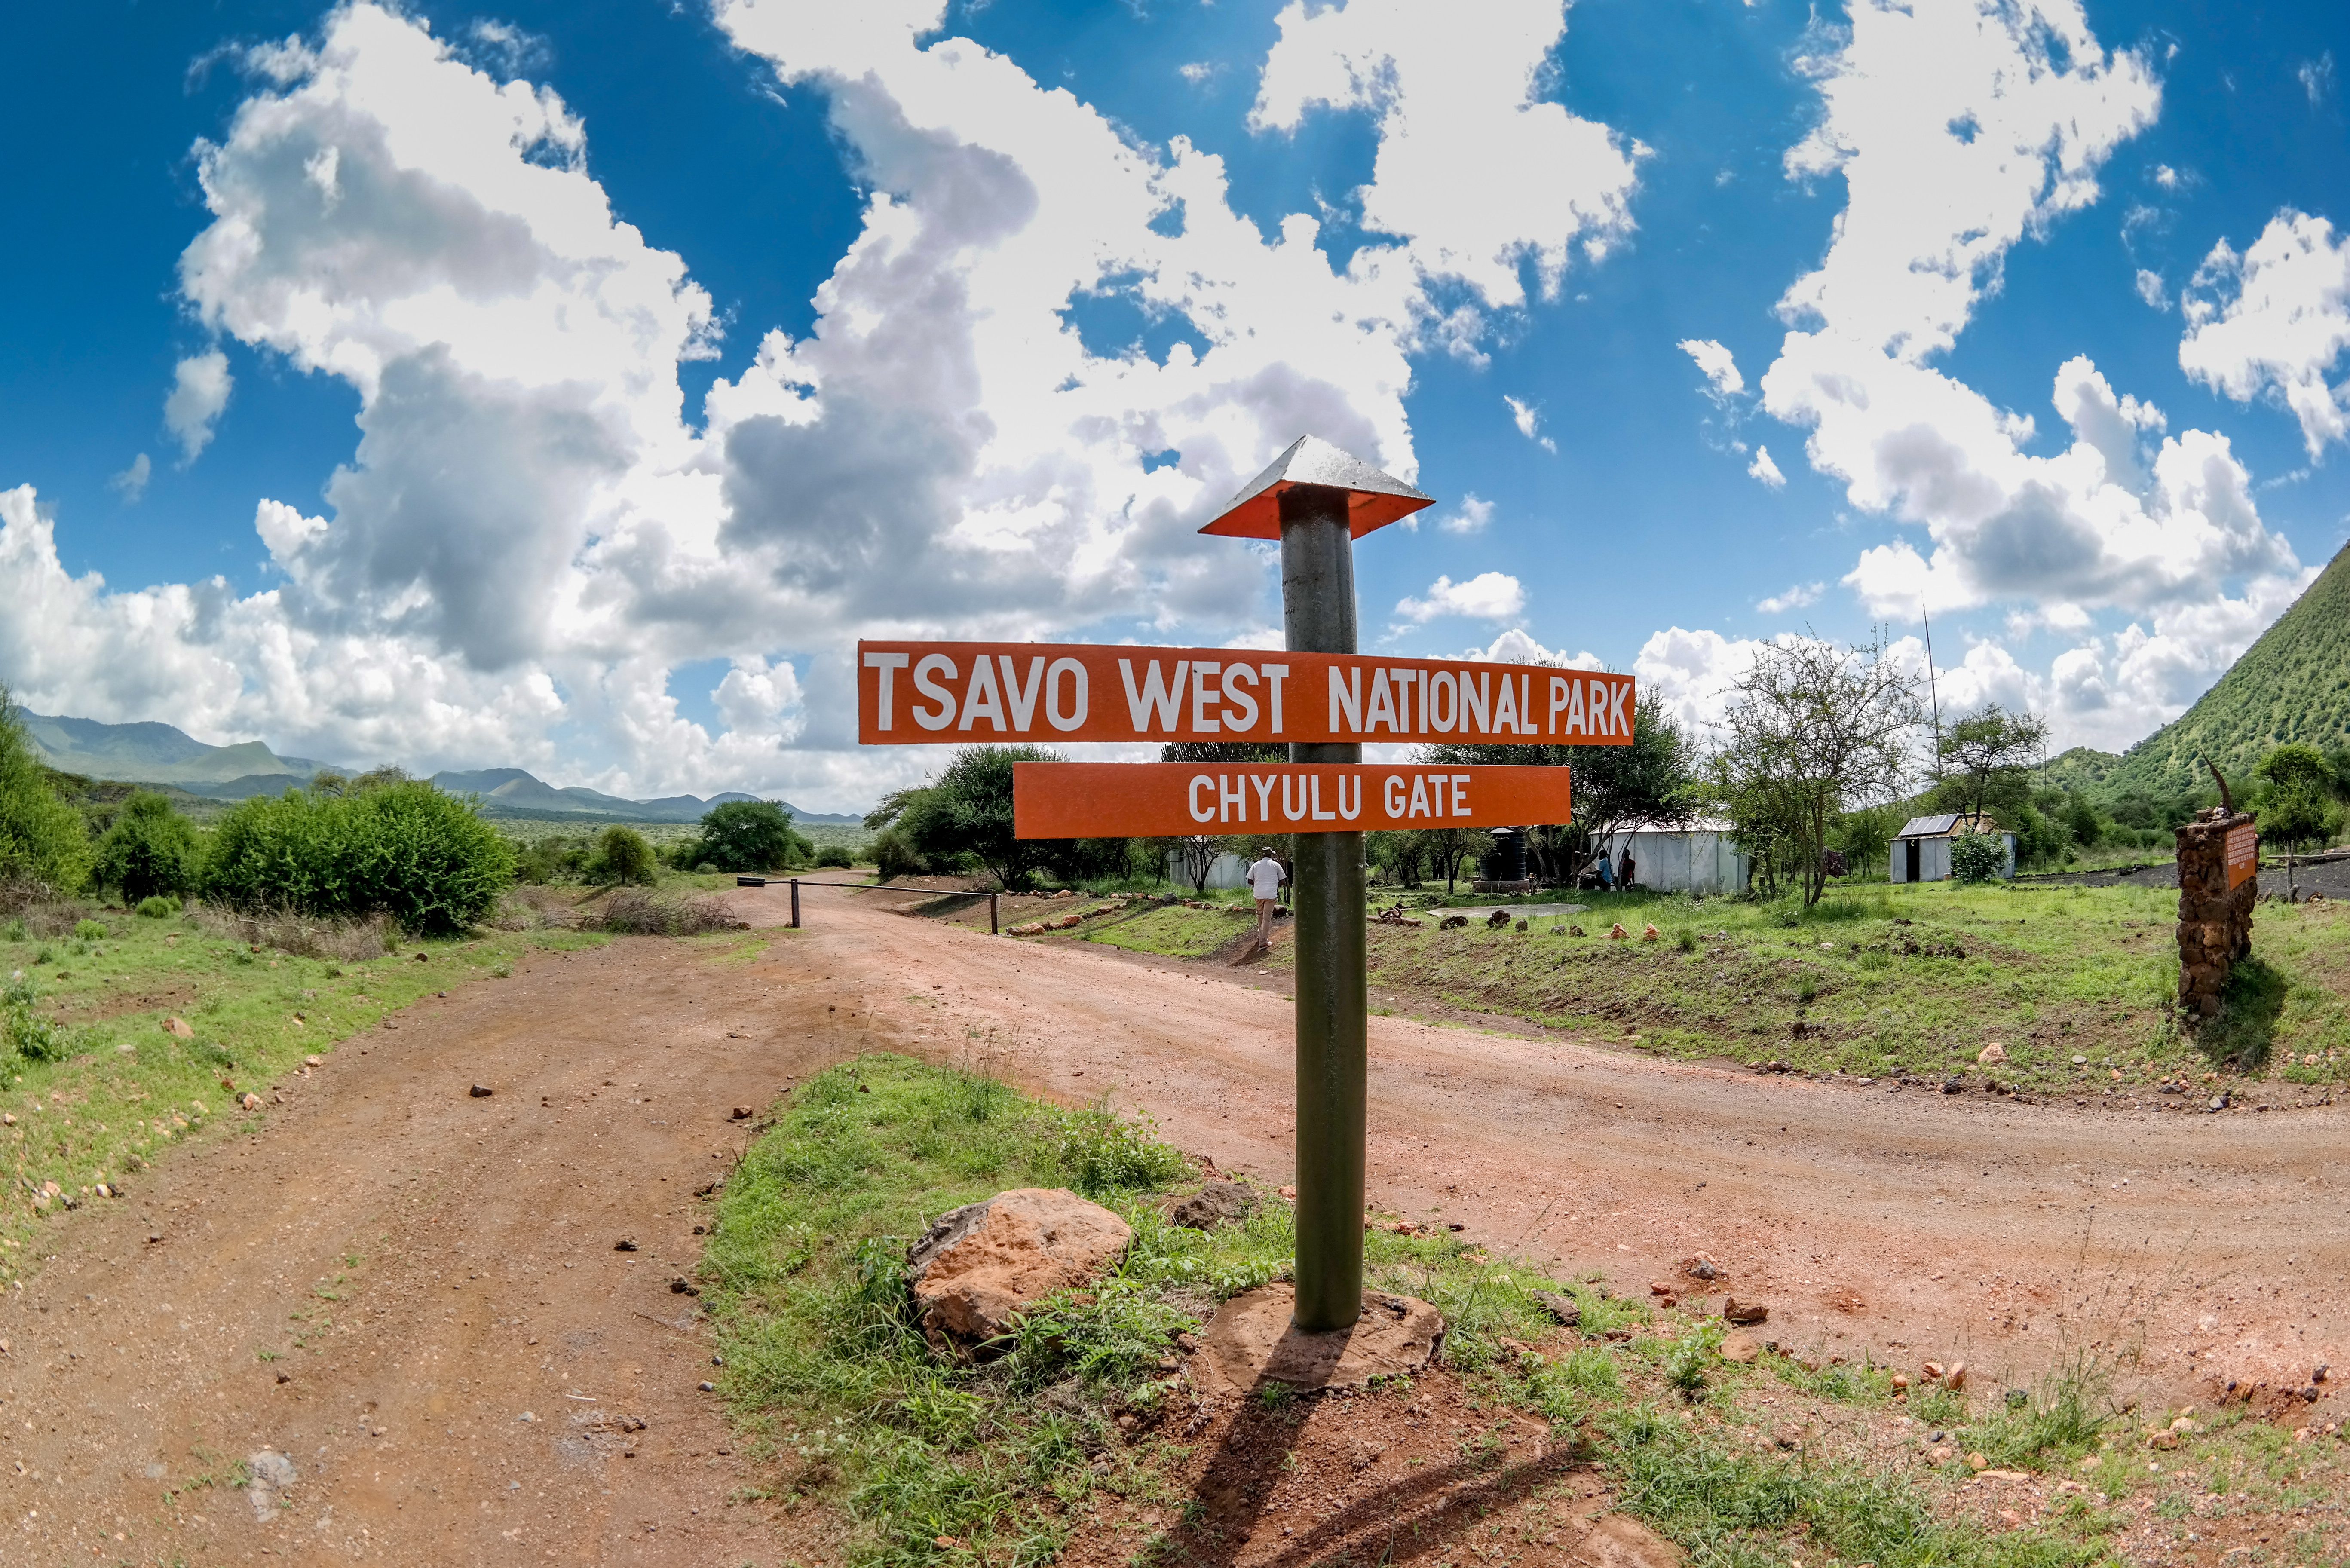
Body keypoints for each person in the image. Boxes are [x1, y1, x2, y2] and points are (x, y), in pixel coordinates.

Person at [1245, 845, 1287, 946]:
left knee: (1260, 914)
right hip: (1270, 895)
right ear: (1271, 854)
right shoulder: (1276, 865)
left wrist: (1258, 885)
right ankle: (1263, 942)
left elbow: (1250, 880)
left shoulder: (1256, 865)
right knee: (1267, 917)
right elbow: (1283, 881)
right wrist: (1274, 886)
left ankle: (1261, 934)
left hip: (1258, 894)